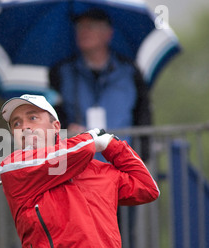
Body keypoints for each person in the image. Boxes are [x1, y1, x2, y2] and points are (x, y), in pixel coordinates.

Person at [0, 94, 159, 248]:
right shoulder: (14, 167)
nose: (25, 127)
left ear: (56, 127)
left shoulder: (100, 171)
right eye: (16, 123)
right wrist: (92, 138)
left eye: (33, 118)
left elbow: (148, 188)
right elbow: (65, 156)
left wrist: (113, 145)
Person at [49, 8, 151, 149]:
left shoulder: (130, 71)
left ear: (108, 34)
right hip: (80, 162)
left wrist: (144, 155)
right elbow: (52, 115)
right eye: (79, 27)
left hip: (122, 161)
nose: (83, 31)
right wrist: (66, 130)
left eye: (90, 26)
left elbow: (143, 114)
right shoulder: (60, 72)